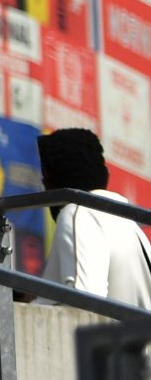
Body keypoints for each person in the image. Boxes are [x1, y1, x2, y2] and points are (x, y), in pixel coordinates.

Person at [38, 128, 151, 308]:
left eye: (45, 178)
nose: (44, 188)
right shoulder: (130, 225)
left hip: (108, 336)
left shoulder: (79, 213)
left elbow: (83, 305)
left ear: (56, 180)